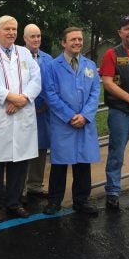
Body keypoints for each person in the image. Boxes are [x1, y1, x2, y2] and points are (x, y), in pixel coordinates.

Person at [0, 15, 41, 222]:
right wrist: (9, 97)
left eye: (13, 29)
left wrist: (23, 99)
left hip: (21, 115)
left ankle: (14, 202)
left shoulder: (24, 53)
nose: (11, 32)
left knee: (19, 164)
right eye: (6, 29)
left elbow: (36, 79)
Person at [43, 27, 100, 215]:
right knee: (59, 164)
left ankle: (82, 200)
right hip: (63, 123)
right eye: (73, 39)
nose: (77, 42)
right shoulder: (52, 66)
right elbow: (50, 94)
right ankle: (54, 201)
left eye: (80, 39)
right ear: (63, 42)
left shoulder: (90, 65)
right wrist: (69, 116)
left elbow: (95, 93)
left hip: (84, 121)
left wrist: (85, 115)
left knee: (83, 163)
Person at [99, 15, 129, 209]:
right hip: (120, 112)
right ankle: (113, 191)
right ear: (120, 32)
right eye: (127, 28)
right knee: (116, 152)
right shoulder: (112, 54)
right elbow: (107, 83)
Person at [21, 23, 53, 202]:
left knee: (41, 148)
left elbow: (53, 84)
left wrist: (47, 104)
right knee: (24, 148)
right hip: (24, 108)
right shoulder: (18, 57)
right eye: (32, 36)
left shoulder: (48, 59)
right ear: (24, 38)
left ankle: (35, 185)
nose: (36, 39)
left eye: (38, 36)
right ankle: (20, 188)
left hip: (43, 111)